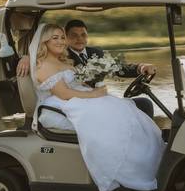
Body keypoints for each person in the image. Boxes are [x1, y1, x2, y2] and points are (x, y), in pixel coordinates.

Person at [30, 23, 165, 191]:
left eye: (62, 37)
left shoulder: (64, 59)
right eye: (55, 38)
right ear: (44, 42)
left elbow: (110, 71)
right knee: (115, 115)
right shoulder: (45, 65)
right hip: (61, 104)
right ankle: (128, 168)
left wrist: (139, 68)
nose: (61, 41)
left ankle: (149, 160)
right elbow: (64, 93)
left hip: (77, 97)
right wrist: (94, 94)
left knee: (126, 110)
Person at [17, 18, 158, 117]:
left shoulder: (94, 52)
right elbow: (46, 64)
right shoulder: (60, 56)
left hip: (93, 98)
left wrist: (140, 67)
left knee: (142, 104)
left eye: (83, 35)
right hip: (81, 101)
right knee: (135, 108)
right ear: (68, 37)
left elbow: (117, 68)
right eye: (74, 35)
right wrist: (27, 57)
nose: (80, 39)